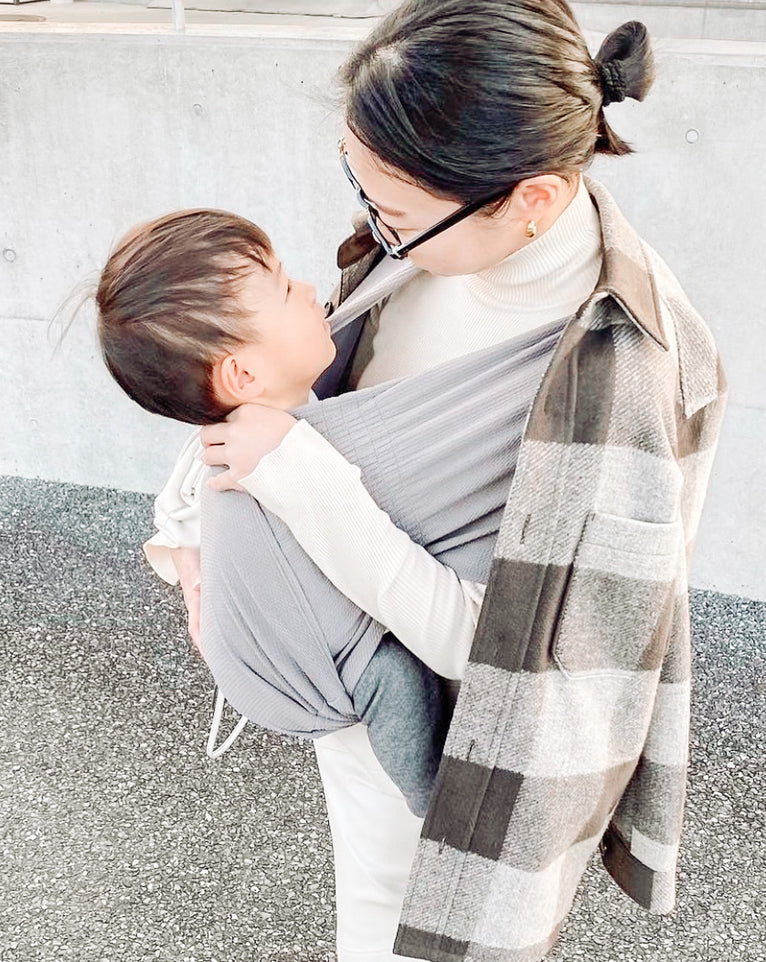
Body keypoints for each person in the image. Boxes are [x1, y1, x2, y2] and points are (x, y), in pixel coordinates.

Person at [155, 2, 727, 960]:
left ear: (532, 198)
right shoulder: (430, 242)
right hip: (352, 705)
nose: (375, 225)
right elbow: (281, 389)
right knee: (369, 913)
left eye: (397, 212)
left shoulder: (624, 377)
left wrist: (303, 482)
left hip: (449, 747)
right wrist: (187, 541)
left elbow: (520, 655)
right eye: (361, 186)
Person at [96, 207, 463, 817]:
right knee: (396, 682)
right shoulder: (230, 447)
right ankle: (438, 809)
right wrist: (198, 586)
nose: (312, 290)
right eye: (287, 289)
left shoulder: (288, 406)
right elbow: (180, 508)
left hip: (326, 617)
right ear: (243, 374)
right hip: (317, 656)